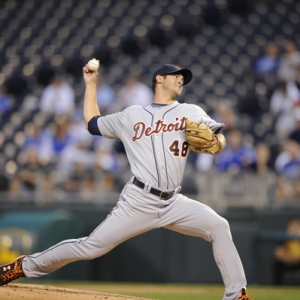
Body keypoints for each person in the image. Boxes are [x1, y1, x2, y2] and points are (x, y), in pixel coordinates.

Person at [0, 62, 252, 300]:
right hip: (139, 200)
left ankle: (235, 294)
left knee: (219, 226)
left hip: (174, 201)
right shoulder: (132, 115)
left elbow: (219, 138)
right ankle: (23, 266)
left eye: (183, 78)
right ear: (159, 79)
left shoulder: (191, 111)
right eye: (176, 76)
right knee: (91, 247)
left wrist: (217, 143)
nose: (181, 81)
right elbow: (92, 123)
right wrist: (90, 84)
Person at [273, 218, 300, 285]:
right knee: (277, 264)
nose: (294, 228)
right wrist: (287, 258)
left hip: (298, 260)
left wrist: (295, 259)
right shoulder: (284, 237)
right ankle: (277, 287)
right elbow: (278, 252)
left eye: (297, 225)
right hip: (287, 261)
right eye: (292, 225)